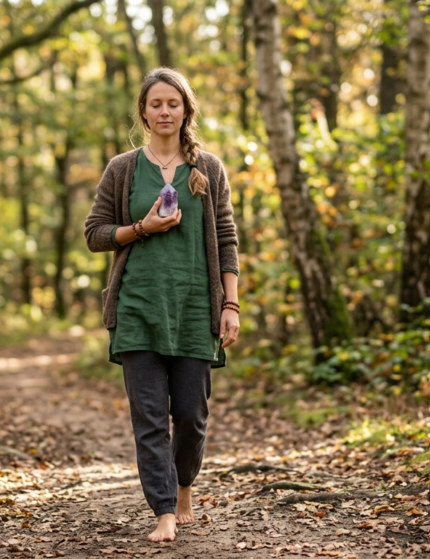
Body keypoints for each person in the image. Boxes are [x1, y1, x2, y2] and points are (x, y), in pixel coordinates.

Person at [83, 67, 241, 542]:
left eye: (173, 103)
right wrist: (141, 229)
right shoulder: (123, 168)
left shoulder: (208, 169)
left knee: (191, 415)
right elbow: (95, 234)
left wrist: (230, 305)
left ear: (186, 110)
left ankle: (184, 485)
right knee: (149, 416)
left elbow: (228, 239)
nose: (165, 111)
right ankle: (164, 512)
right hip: (137, 307)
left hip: (196, 310)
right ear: (144, 112)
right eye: (156, 104)